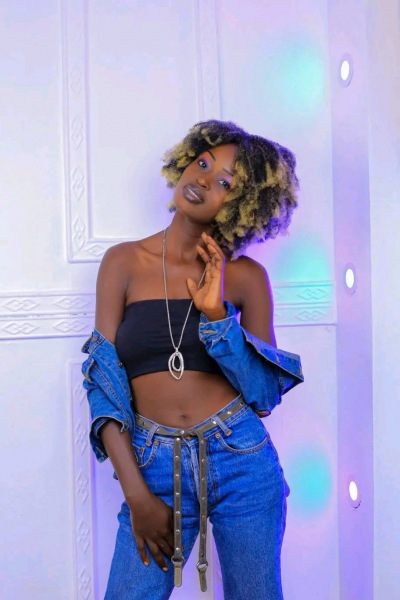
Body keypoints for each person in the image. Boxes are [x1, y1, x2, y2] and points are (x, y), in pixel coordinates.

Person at [81, 119, 304, 600]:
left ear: (244, 204)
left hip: (240, 459)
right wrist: (137, 495)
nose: (203, 179)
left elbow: (263, 397)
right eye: (203, 163)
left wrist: (218, 316)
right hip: (152, 464)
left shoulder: (246, 278)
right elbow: (103, 384)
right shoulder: (123, 262)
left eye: (225, 182)